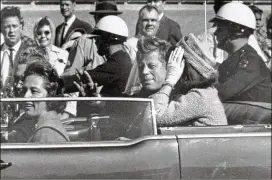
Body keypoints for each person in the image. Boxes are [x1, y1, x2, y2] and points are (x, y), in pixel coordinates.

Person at [136, 36, 227, 127]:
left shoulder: (201, 97)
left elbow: (153, 117)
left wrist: (169, 81)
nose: (171, 68)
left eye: (174, 64)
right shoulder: (202, 93)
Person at [211, 2, 271, 103]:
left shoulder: (250, 62)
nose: (215, 33)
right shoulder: (234, 59)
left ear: (237, 31)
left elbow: (219, 94)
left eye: (220, 29)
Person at [7, 59, 70, 143]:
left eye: (34, 91)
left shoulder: (46, 133)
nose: (26, 96)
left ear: (50, 95)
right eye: (25, 90)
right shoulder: (41, 125)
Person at [62, 0, 123, 77]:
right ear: (95, 18)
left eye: (110, 16)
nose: (105, 20)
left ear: (116, 19)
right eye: (101, 16)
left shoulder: (124, 44)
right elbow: (70, 75)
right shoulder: (83, 43)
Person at [124, 5, 160, 95]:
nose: (150, 23)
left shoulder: (161, 46)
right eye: (145, 20)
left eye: (153, 20)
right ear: (139, 23)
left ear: (158, 24)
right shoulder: (128, 45)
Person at [0, 6, 33, 98]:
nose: (11, 31)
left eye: (14, 26)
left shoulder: (32, 53)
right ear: (1, 29)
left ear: (21, 27)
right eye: (7, 27)